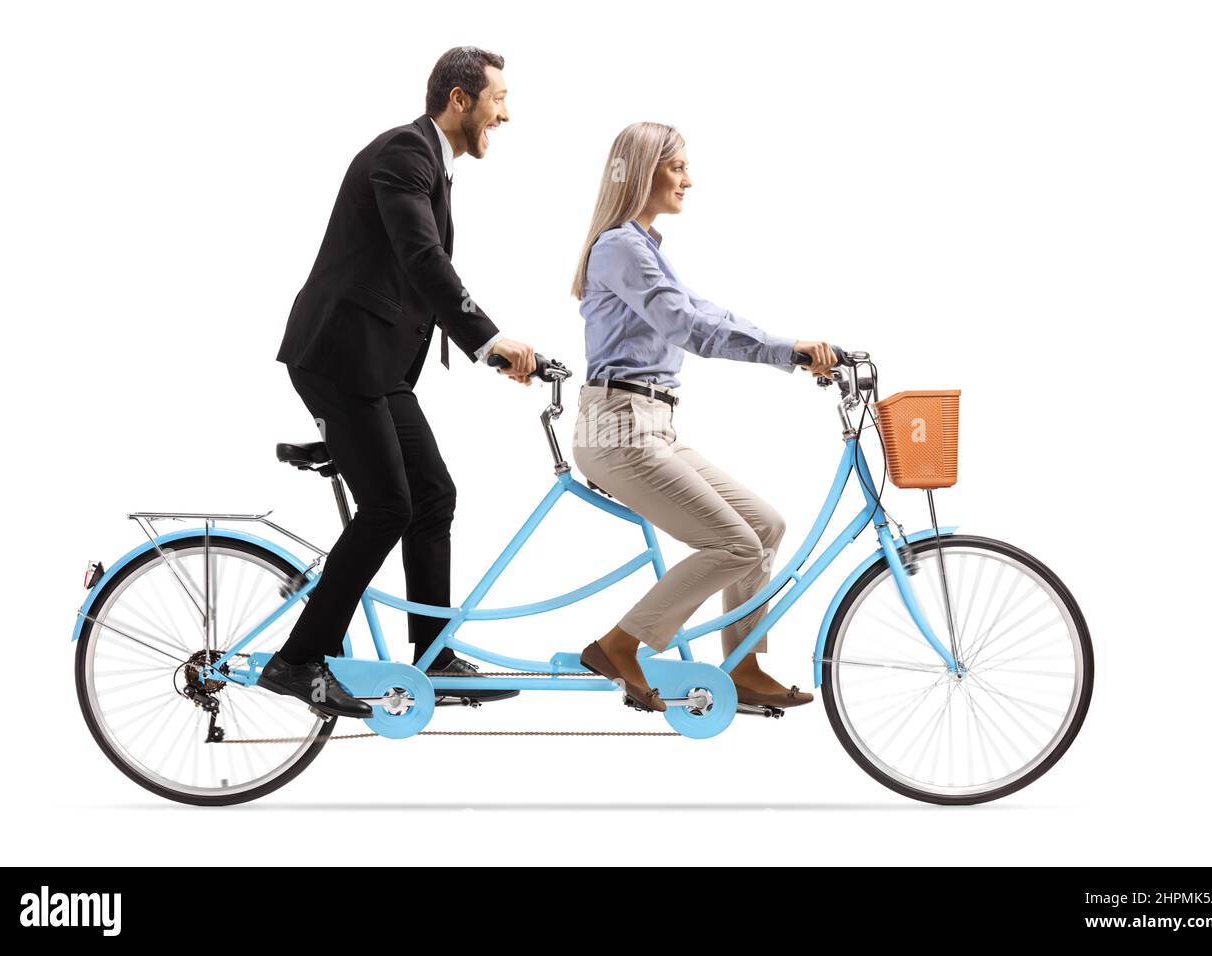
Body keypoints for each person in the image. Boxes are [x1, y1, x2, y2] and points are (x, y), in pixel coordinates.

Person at [261, 47, 537, 718]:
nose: (509, 111)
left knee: (433, 493)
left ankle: (433, 655)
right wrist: (488, 339)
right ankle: (298, 659)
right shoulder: (403, 156)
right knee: (387, 506)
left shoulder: (431, 166)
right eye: (499, 98)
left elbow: (417, 263)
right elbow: (421, 257)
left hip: (377, 367)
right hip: (338, 357)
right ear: (460, 100)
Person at [569, 122, 839, 712]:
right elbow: (688, 328)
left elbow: (702, 310)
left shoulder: (643, 248)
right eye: (678, 167)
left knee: (763, 528)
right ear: (644, 171)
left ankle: (742, 665)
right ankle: (618, 645)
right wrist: (785, 351)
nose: (689, 179)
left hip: (649, 425)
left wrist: (788, 344)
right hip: (618, 427)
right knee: (735, 544)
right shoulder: (620, 247)